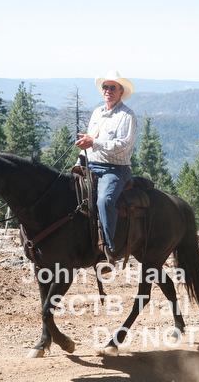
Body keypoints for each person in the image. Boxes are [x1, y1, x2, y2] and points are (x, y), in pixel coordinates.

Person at [75, 70, 137, 264]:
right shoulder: (97, 113)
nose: (108, 90)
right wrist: (79, 161)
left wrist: (94, 143)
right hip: (92, 165)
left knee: (104, 200)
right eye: (105, 87)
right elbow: (89, 140)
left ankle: (109, 249)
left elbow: (123, 145)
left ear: (121, 91)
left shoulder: (127, 115)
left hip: (115, 170)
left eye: (112, 87)